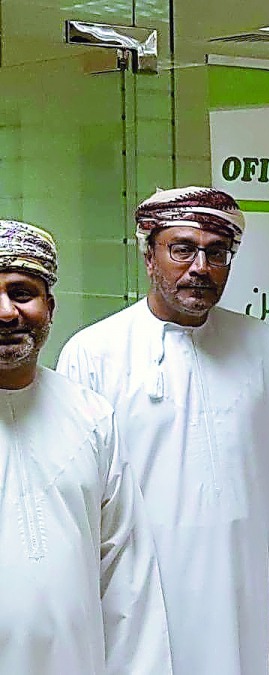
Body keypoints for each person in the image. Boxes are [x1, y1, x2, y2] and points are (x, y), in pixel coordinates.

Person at [57, 187, 269, 674]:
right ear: (149, 256)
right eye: (182, 249)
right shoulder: (93, 354)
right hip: (136, 597)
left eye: (217, 253)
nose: (200, 267)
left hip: (243, 590)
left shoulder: (260, 345)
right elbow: (77, 502)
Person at [0, 220, 172, 674]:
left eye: (21, 293)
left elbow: (127, 578)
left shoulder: (91, 418)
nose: (6, 312)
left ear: (49, 307)